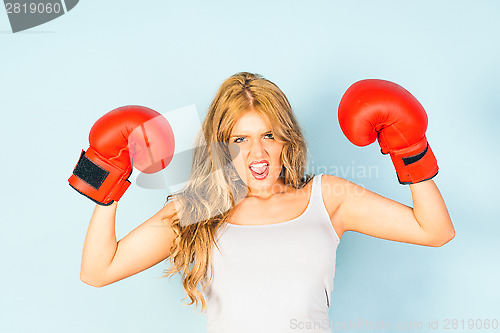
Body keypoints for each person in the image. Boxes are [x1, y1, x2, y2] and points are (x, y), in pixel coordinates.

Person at [77, 72, 455, 333]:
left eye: (269, 135)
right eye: (240, 139)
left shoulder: (326, 198)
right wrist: (105, 176)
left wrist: (409, 149)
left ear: (286, 139)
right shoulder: (198, 207)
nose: (257, 152)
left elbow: (435, 230)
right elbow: (98, 271)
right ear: (221, 145)